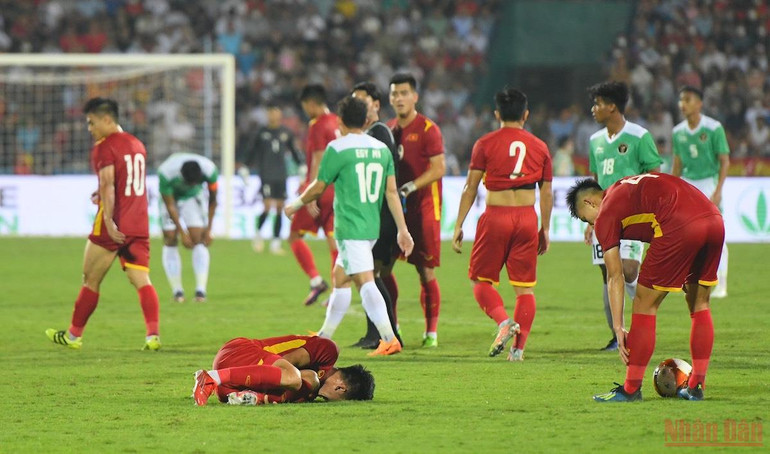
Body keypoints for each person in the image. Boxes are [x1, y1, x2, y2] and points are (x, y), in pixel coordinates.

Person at [566, 173, 723, 402]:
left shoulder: (606, 213)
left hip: (678, 225)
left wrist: (618, 327)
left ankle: (630, 389)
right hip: (714, 220)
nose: (592, 224)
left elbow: (615, 276)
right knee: (699, 304)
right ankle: (696, 385)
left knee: (643, 305)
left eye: (586, 219)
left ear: (589, 202)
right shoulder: (624, 186)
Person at [285, 96, 414, 357]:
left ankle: (389, 338)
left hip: (350, 226)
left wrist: (295, 204)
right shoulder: (381, 149)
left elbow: (320, 186)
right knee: (340, 278)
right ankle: (325, 337)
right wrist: (402, 229)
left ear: (340, 121)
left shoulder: (338, 148)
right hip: (370, 225)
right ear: (366, 120)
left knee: (365, 280)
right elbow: (391, 192)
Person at [46, 97, 161, 351]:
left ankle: (74, 336)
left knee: (90, 279)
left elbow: (109, 185)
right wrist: (102, 194)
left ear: (107, 119)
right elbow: (124, 184)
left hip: (114, 224)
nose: (90, 128)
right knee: (142, 280)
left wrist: (108, 220)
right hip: (139, 223)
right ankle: (153, 336)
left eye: (92, 122)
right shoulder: (136, 144)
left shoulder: (104, 147)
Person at [452, 88, 553, 361]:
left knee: (480, 280)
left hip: (496, 216)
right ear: (526, 114)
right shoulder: (540, 146)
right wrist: (545, 228)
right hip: (527, 217)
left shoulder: (484, 144)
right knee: (525, 288)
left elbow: (470, 186)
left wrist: (459, 223)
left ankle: (503, 322)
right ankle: (518, 351)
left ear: (496, 114)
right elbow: (546, 192)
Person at [586, 81, 662, 351]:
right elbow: (595, 180)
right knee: (607, 273)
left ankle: (645, 309)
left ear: (612, 106)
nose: (593, 109)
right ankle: (616, 336)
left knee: (627, 268)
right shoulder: (595, 141)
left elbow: (655, 174)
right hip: (603, 217)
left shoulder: (639, 136)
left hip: (632, 217)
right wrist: (590, 218)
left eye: (598, 104)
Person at [386, 73, 446, 348]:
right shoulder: (388, 130)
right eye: (394, 93)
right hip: (394, 210)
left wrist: (409, 188)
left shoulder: (427, 129)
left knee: (425, 272)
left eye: (403, 93)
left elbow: (439, 168)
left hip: (423, 210)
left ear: (415, 97)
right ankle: (393, 326)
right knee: (383, 269)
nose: (398, 98)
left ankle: (431, 332)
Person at [350, 81, 402, 349]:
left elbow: (382, 178)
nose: (358, 105)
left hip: (380, 214)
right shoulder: (371, 132)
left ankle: (388, 334)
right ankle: (376, 333)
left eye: (363, 100)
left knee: (371, 276)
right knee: (370, 276)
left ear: (376, 105)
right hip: (374, 214)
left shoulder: (379, 133)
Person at [192, 334, 375, 406]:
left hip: (238, 376)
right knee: (294, 378)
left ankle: (242, 393)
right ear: (341, 388)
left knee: (307, 380)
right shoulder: (328, 351)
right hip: (239, 352)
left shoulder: (310, 388)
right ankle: (210, 378)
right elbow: (283, 363)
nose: (325, 401)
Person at [672, 85, 730, 298]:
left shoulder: (714, 128)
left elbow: (724, 160)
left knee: (716, 236)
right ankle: (686, 279)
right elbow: (677, 165)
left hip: (709, 183)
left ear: (699, 103)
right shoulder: (677, 132)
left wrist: (718, 189)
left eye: (687, 99)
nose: (683, 104)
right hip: (688, 185)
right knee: (685, 236)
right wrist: (673, 191)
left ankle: (721, 283)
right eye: (681, 100)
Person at [290, 84, 340, 306]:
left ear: (311, 103)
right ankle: (337, 292)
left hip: (322, 189)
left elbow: (319, 159)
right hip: (339, 189)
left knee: (294, 236)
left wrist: (310, 190)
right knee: (334, 243)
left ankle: (316, 280)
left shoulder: (318, 125)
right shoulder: (338, 121)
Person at [238, 105, 302, 255]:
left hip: (281, 175)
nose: (273, 116)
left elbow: (294, 151)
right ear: (268, 115)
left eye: (276, 113)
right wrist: (245, 167)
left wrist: (301, 165)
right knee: (267, 206)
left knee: (280, 208)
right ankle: (258, 235)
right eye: (271, 113)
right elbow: (251, 151)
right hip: (266, 174)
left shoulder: (286, 132)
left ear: (280, 115)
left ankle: (275, 243)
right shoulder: (261, 133)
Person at [157, 152, 219, 303]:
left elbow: (213, 200)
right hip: (171, 198)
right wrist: (182, 232)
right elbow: (170, 206)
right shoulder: (166, 173)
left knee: (199, 239)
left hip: (193, 197)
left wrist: (209, 228)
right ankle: (177, 291)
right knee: (170, 238)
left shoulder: (210, 170)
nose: (191, 185)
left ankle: (200, 291)